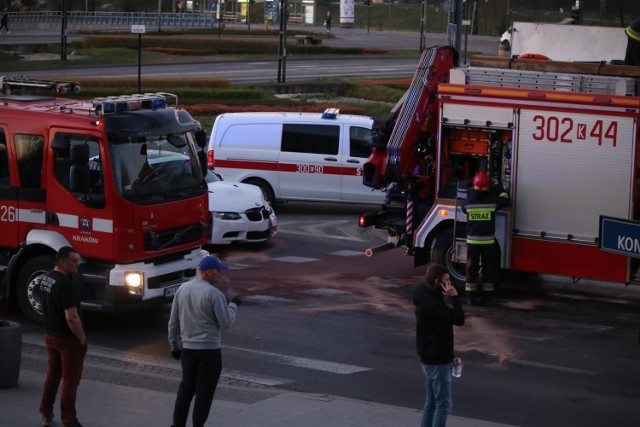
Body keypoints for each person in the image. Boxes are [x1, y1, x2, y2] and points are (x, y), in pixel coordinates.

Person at [168, 255, 242, 427]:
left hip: (187, 350)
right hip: (209, 352)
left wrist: (174, 346)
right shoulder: (214, 294)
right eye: (218, 271)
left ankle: (176, 425)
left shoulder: (183, 289)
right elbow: (226, 323)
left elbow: (173, 322)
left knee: (186, 390)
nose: (220, 274)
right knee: (204, 393)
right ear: (208, 272)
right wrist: (234, 305)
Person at [39, 246, 87, 427]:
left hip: (50, 335)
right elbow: (72, 317)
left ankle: (46, 413)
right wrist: (82, 339)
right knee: (70, 380)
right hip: (68, 340)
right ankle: (68, 418)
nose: (77, 265)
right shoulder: (65, 284)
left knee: (52, 376)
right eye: (74, 261)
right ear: (62, 262)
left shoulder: (45, 278)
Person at [413, 263, 465, 427]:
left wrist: (450, 356)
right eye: (447, 280)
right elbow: (458, 319)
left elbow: (439, 332)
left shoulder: (427, 298)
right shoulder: (433, 304)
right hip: (437, 361)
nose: (450, 284)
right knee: (443, 405)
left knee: (432, 402)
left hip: (430, 357)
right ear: (437, 282)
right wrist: (455, 297)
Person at [462, 171, 510, 305]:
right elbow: (505, 199)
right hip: (488, 243)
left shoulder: (468, 202)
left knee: (471, 271)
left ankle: (471, 297)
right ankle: (487, 297)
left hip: (472, 243)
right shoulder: (493, 201)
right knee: (488, 270)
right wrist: (499, 189)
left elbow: (464, 208)